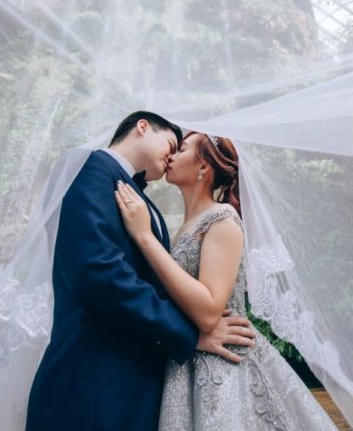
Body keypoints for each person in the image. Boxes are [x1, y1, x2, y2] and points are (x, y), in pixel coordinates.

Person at [25, 112, 256, 431]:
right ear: (142, 127)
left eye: (181, 149)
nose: (173, 155)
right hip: (94, 389)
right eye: (171, 143)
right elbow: (100, 276)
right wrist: (189, 335)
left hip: (133, 390)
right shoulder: (90, 171)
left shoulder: (141, 202)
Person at [116, 131, 339, 430]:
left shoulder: (223, 220)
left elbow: (209, 311)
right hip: (190, 363)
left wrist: (144, 237)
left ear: (203, 167)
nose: (171, 156)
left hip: (225, 366)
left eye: (181, 150)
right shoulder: (183, 228)